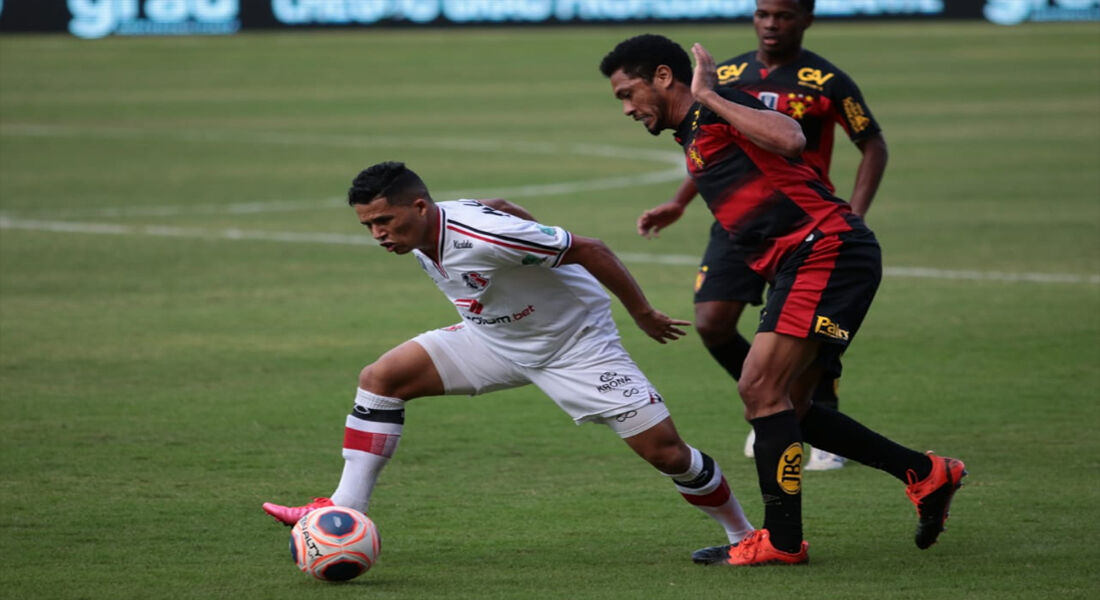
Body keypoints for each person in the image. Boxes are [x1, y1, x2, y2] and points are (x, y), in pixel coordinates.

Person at [262, 161, 756, 557]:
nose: (378, 235)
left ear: (418, 206)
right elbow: (496, 205)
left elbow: (591, 248)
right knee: (380, 378)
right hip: (494, 340)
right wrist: (518, 223)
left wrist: (643, 313)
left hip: (575, 346)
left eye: (384, 221)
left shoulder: (482, 237)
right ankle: (345, 510)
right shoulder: (426, 229)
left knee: (667, 453)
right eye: (368, 225)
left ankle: (743, 536)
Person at [599, 34, 965, 566]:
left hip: (825, 250)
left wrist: (712, 94)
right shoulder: (692, 130)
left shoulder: (718, 103)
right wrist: (680, 202)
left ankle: (782, 542)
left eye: (628, 94)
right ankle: (927, 474)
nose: (628, 109)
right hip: (804, 260)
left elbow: (790, 138)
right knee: (791, 407)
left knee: (759, 387)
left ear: (662, 76)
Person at [634, 0, 889, 472]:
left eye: (784, 15)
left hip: (803, 220)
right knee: (711, 321)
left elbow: (871, 141)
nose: (771, 24)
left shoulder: (827, 81)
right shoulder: (722, 75)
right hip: (735, 219)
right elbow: (708, 142)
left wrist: (857, 212)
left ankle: (802, 409)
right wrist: (679, 202)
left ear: (806, 19)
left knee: (806, 328)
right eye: (763, 14)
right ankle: (773, 403)